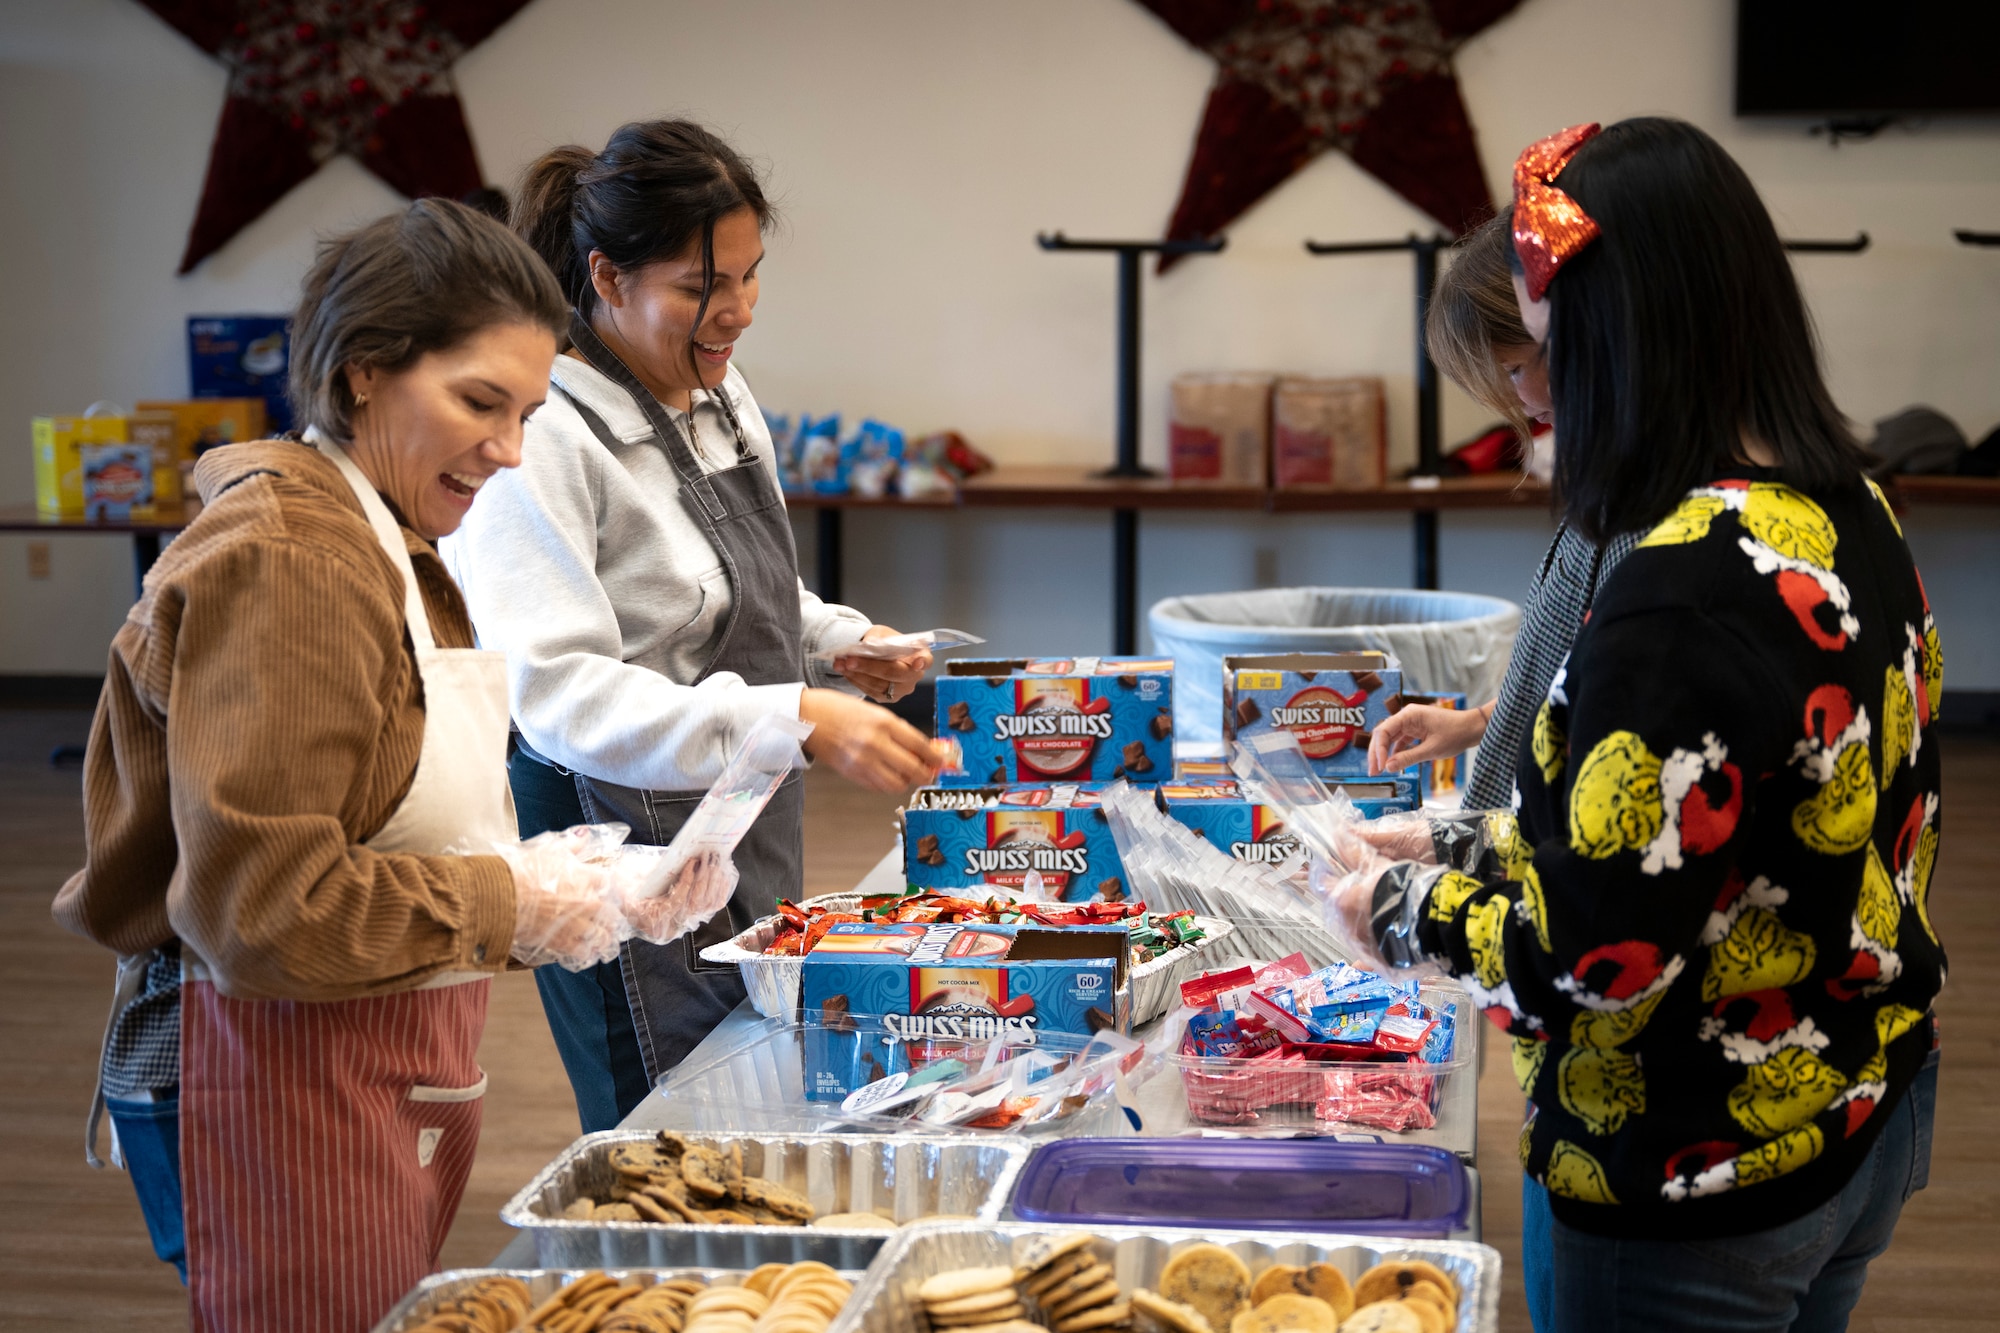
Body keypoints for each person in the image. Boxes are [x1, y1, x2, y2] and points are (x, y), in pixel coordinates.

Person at [1333, 118, 1944, 1332]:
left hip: (1695, 1163)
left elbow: (1591, 967)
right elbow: (1728, 849)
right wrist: (1473, 851)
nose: (1534, 396)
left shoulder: (1678, 581)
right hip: (1852, 1095)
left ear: (1626, 342)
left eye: (1549, 350)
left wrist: (1393, 911)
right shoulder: (1841, 504)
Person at [51, 200, 681, 1331]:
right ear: (359, 376)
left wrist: (568, 885)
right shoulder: (293, 563)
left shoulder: (387, 539)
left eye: (527, 413)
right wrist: (511, 899)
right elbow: (267, 905)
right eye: (478, 402)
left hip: (368, 1067)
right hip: (273, 1078)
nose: (507, 451)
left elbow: (370, 812)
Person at [444, 119, 942, 1134]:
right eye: (701, 288)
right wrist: (794, 715)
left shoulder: (715, 390)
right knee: (659, 1132)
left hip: (737, 808)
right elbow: (558, 695)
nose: (737, 313)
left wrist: (834, 641)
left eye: (751, 278)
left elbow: (732, 592)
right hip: (614, 835)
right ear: (604, 276)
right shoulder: (543, 437)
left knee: (752, 1082)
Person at [1369, 212, 1637, 816]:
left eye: (1518, 368)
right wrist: (1481, 721)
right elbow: (1573, 674)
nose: (1526, 402)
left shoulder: (1654, 528)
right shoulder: (1612, 493)